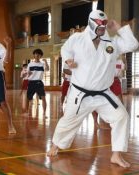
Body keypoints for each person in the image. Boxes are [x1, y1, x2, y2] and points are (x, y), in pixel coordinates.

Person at [47, 10, 139, 168]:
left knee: (121, 116)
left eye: (104, 23)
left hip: (103, 94)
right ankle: (56, 144)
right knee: (68, 121)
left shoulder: (112, 43)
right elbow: (65, 49)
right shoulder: (77, 38)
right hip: (80, 94)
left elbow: (133, 45)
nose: (102, 26)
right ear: (91, 22)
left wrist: (118, 27)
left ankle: (116, 155)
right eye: (99, 23)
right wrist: (69, 60)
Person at [26, 49, 49, 117]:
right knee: (28, 98)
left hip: (39, 83)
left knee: (43, 98)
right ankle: (27, 112)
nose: (37, 55)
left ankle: (44, 113)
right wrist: (28, 74)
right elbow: (27, 74)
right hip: (31, 83)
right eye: (36, 54)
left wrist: (46, 62)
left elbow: (47, 69)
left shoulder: (42, 64)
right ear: (34, 55)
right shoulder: (30, 64)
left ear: (40, 56)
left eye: (39, 54)